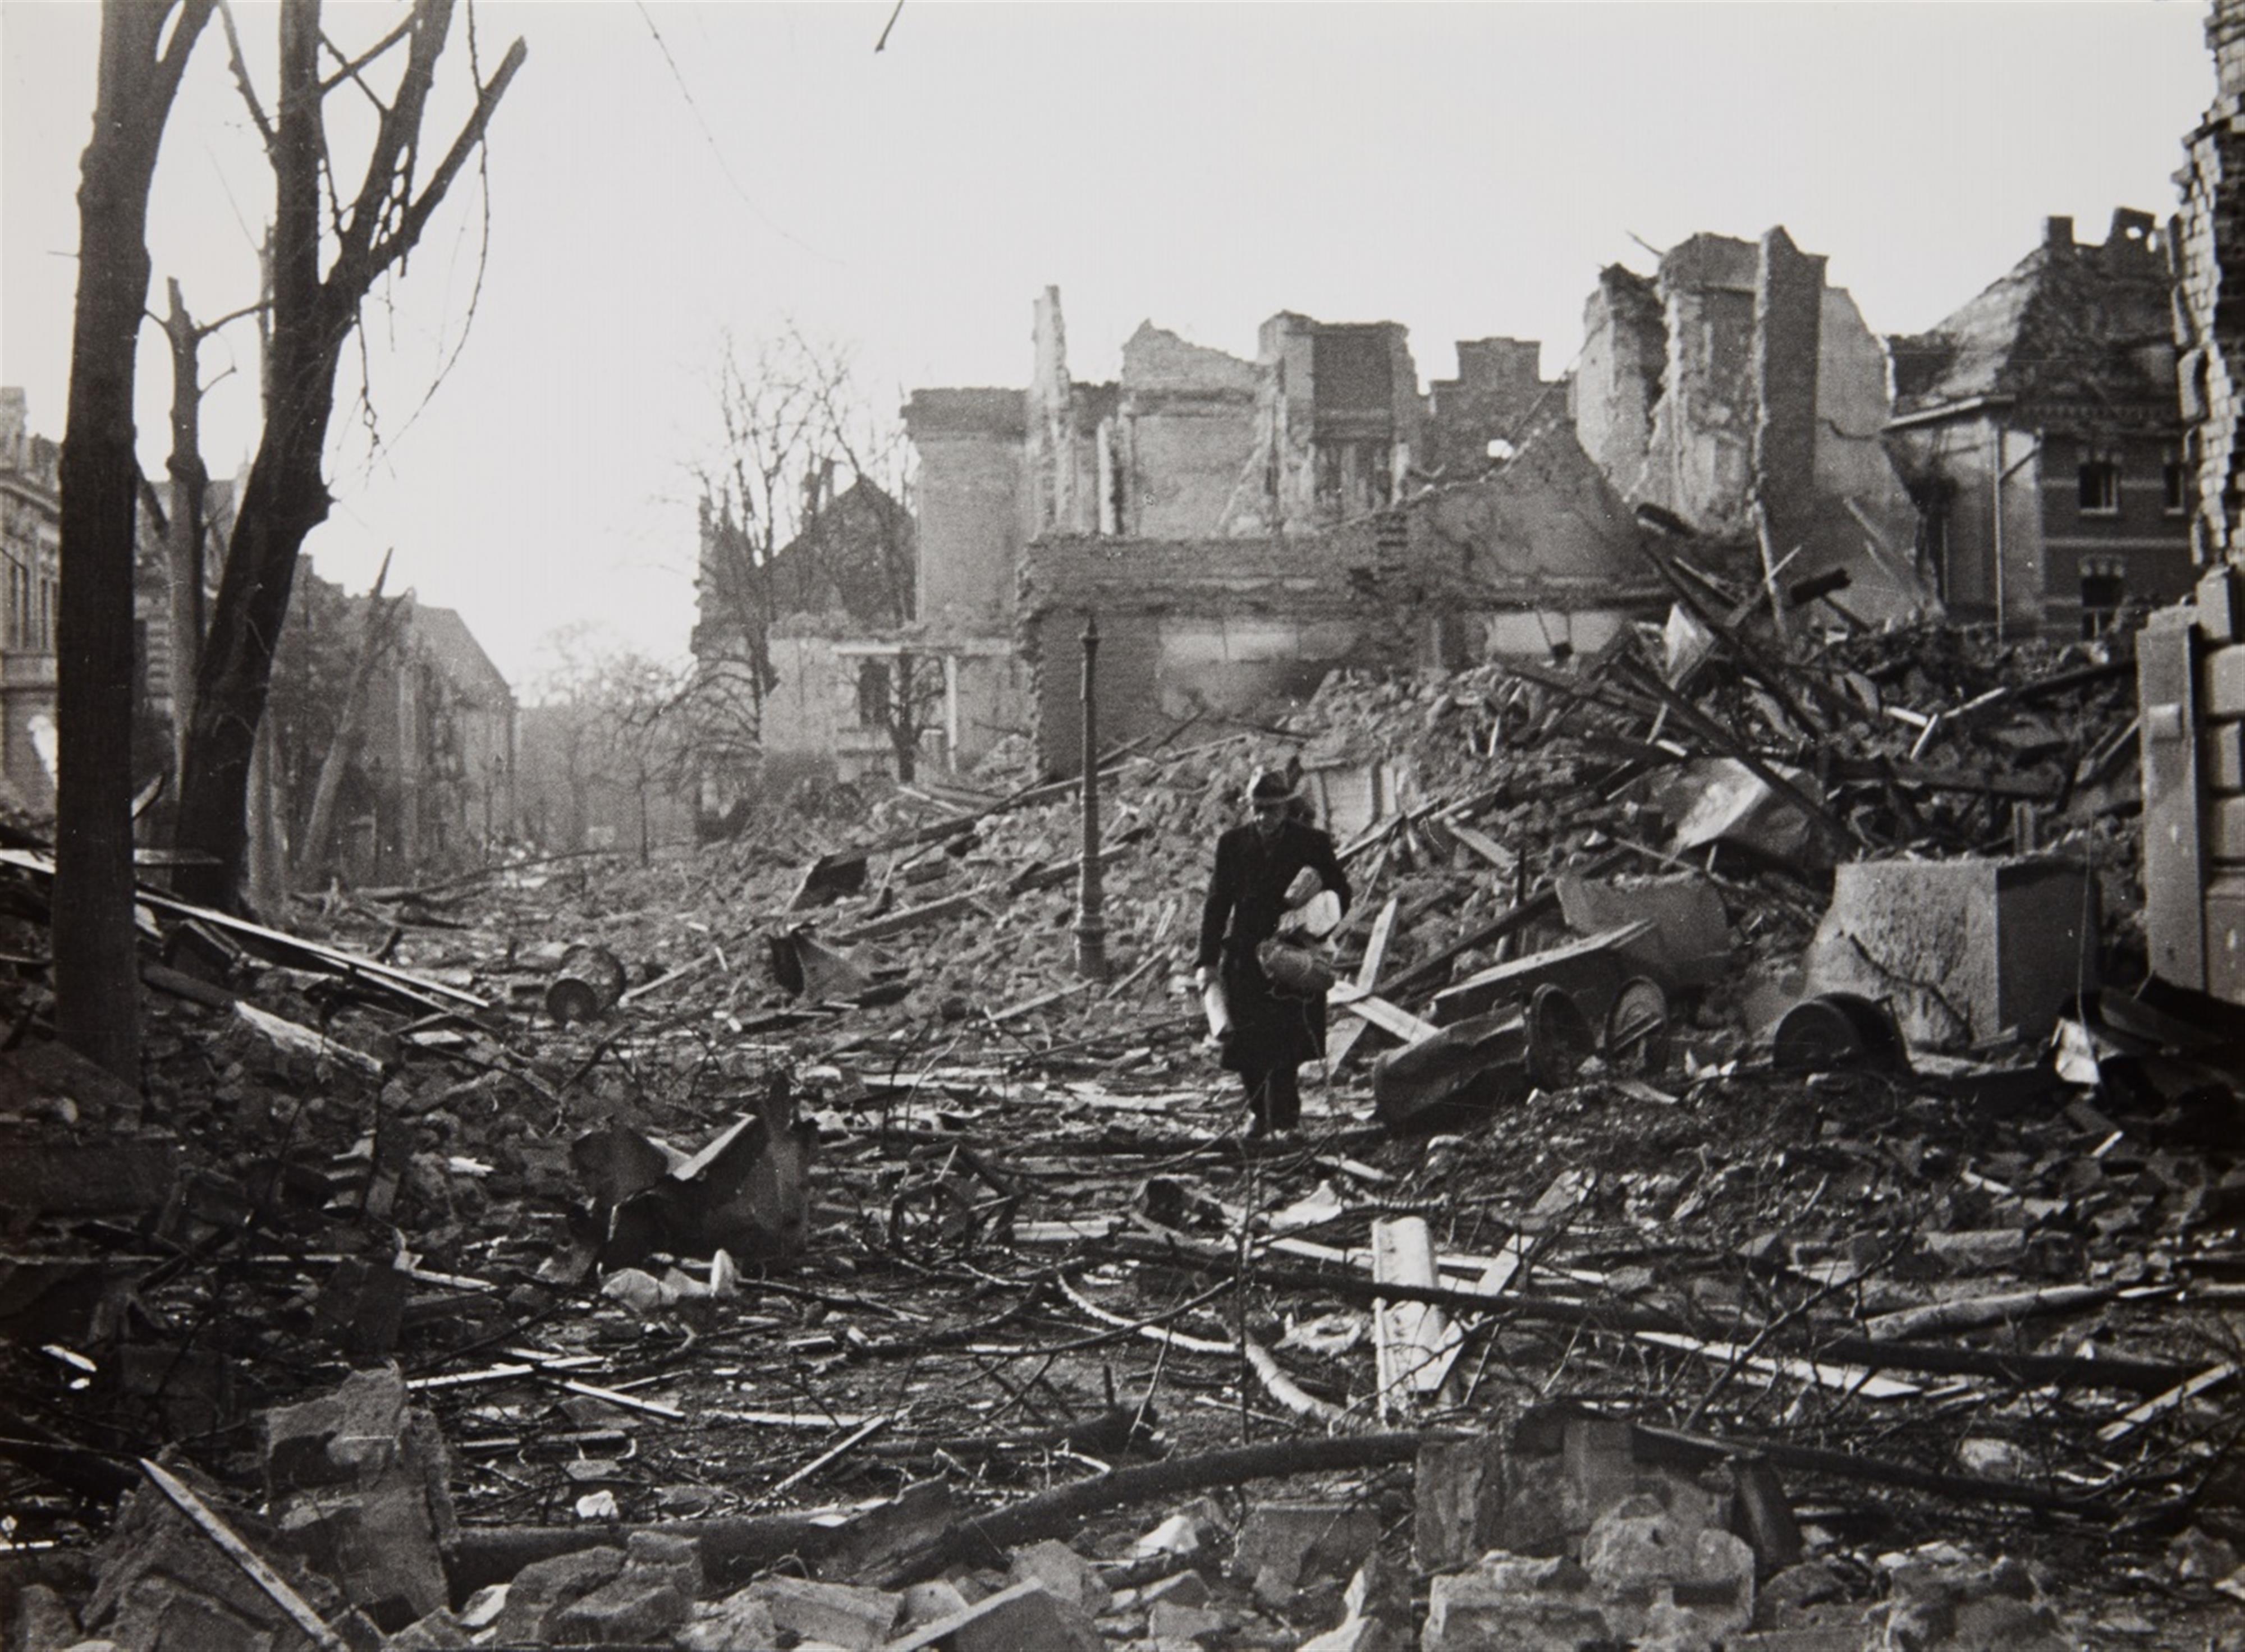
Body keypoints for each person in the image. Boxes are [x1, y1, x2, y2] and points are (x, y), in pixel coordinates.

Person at [1195, 767, 1353, 1135]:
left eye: (1272, 809)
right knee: (1246, 1045)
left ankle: (1286, 1119)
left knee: (1287, 1043)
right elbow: (1217, 904)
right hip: (1246, 955)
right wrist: (1207, 960)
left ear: (1287, 807)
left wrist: (1314, 913)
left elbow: (1341, 894)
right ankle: (1259, 1115)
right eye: (1258, 808)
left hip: (1293, 956)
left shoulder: (1312, 843)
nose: (1264, 818)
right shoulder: (1232, 844)